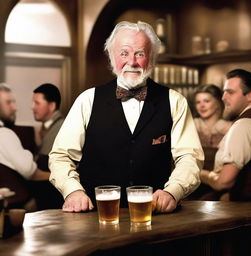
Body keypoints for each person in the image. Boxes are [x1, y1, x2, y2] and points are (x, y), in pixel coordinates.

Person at [49, 21, 204, 213]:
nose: (132, 62)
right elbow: (61, 156)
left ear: (152, 58)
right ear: (112, 57)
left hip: (156, 215)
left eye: (140, 53)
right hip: (95, 214)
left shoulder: (175, 101)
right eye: (124, 53)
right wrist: (72, 191)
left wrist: (173, 191)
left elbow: (190, 157)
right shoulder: (87, 100)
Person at [200, 69, 251, 201]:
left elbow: (224, 182)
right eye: (224, 92)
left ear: (250, 95)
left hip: (244, 209)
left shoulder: (244, 125)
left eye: (230, 92)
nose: (223, 97)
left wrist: (201, 174)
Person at [0, 83, 49, 209]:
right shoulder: (4, 134)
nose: (15, 108)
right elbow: (30, 172)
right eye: (8, 103)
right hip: (15, 208)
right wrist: (60, 176)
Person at [31, 83, 64, 209]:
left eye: (37, 103)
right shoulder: (47, 128)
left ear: (51, 106)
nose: (32, 107)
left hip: (53, 200)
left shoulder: (61, 127)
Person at [194, 84, 232, 149]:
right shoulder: (190, 126)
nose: (202, 105)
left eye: (206, 101)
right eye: (198, 102)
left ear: (218, 103)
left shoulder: (230, 128)